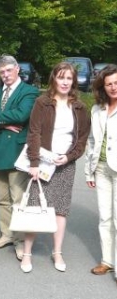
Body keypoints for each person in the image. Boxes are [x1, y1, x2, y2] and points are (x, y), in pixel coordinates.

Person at [21, 62, 90, 273]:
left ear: (73, 81)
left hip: (65, 166)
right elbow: (34, 133)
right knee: (34, 207)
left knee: (60, 209)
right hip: (42, 162)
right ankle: (27, 253)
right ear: (54, 79)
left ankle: (57, 251)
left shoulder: (80, 107)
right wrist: (33, 163)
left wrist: (69, 157)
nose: (65, 82)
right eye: (61, 77)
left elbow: (82, 139)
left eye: (69, 78)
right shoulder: (43, 102)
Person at [0, 54, 39, 258]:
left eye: (8, 70)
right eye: (1, 72)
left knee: (17, 198)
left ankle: (21, 240)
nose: (5, 75)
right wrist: (3, 123)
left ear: (17, 70)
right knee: (2, 199)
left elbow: (21, 115)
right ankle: (7, 234)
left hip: (16, 151)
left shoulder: (29, 91)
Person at [85, 64, 117, 280]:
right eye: (109, 84)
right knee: (105, 217)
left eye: (116, 83)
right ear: (102, 87)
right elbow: (91, 141)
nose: (113, 87)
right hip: (102, 168)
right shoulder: (97, 109)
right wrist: (89, 171)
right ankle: (107, 260)